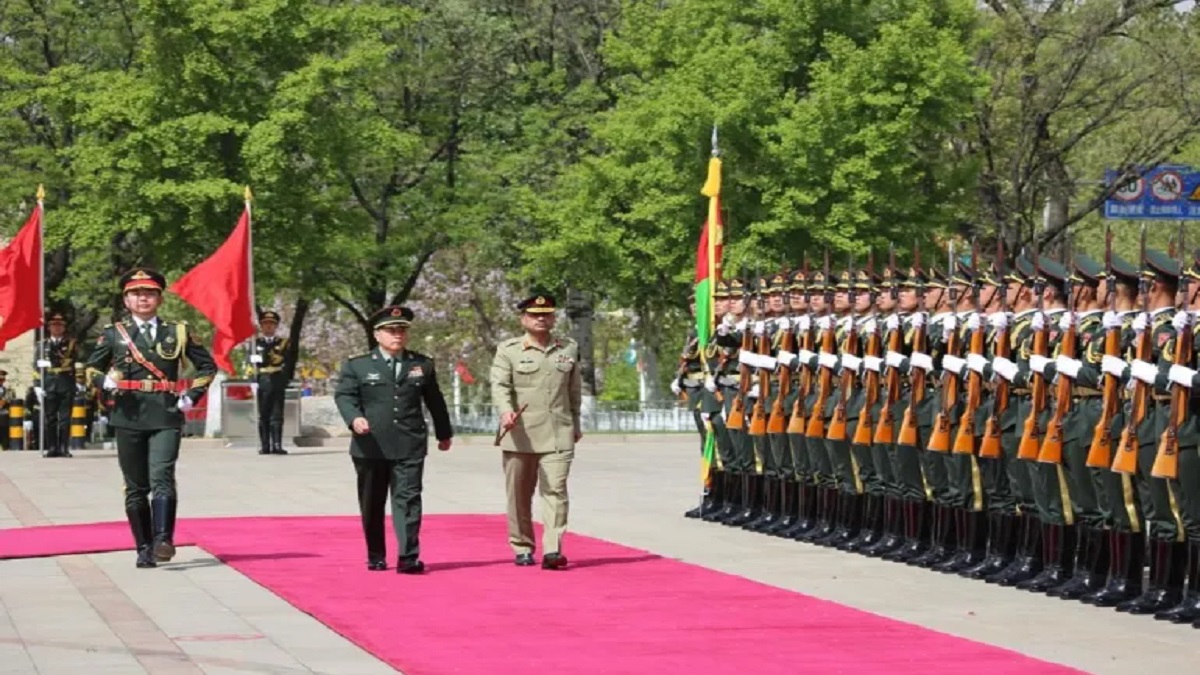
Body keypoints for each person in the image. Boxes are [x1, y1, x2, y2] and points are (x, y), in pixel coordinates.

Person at [85, 268, 218, 569]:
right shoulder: (113, 334)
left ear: (159, 298)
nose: (142, 298)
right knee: (135, 485)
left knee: (162, 476)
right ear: (126, 300)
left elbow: (207, 367)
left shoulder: (178, 332)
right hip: (128, 414)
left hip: (165, 413)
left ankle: (162, 540)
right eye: (136, 294)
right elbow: (91, 368)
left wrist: (190, 397)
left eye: (149, 293)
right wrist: (103, 381)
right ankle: (143, 547)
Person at [334, 305, 453, 574]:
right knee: (372, 501)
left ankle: (408, 556)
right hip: (371, 445)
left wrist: (444, 433)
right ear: (377, 334)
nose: (397, 334)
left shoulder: (421, 364)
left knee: (408, 499)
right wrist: (354, 418)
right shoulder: (358, 365)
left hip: (409, 443)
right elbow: (344, 396)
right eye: (391, 330)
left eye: (402, 330)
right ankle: (376, 554)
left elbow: (435, 401)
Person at [490, 292, 582, 570]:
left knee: (555, 490)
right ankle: (522, 546)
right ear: (523, 319)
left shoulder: (568, 348)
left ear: (553, 318)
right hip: (520, 433)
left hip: (558, 432)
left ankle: (553, 549)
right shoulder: (509, 349)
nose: (541, 319)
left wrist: (576, 423)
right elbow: (500, 385)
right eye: (534, 315)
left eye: (546, 315)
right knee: (519, 494)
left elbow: (573, 389)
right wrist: (505, 411)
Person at [34, 312, 79, 458]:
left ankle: (64, 447)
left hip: (66, 382)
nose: (57, 328)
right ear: (48, 327)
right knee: (50, 417)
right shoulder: (42, 344)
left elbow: (73, 361)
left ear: (64, 327)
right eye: (54, 325)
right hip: (48, 382)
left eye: (60, 325)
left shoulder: (71, 343)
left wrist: (50, 363)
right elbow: (35, 366)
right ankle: (52, 447)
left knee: (65, 418)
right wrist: (37, 385)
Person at [249, 310, 290, 455]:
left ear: (276, 326)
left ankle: (277, 445)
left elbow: (285, 361)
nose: (268, 327)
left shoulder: (283, 343)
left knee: (277, 415)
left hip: (277, 380)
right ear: (261, 326)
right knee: (264, 415)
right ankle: (265, 445)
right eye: (265, 324)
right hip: (262, 381)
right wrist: (252, 380)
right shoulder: (255, 343)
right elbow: (249, 365)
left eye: (271, 324)